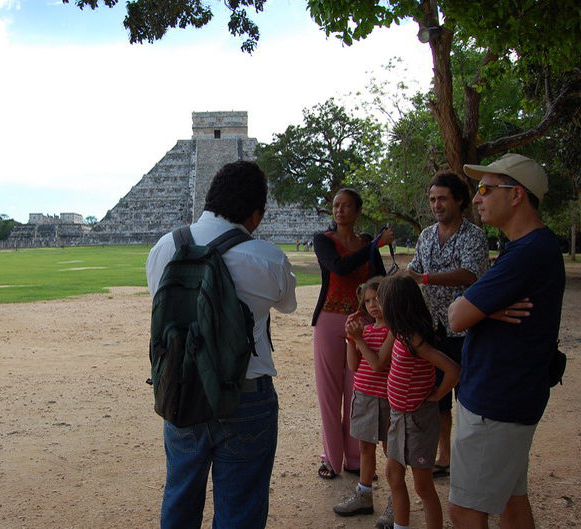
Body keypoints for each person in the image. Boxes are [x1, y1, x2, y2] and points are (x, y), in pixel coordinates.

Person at [146, 160, 298, 528]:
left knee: (179, 499)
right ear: (256, 215)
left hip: (181, 388)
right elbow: (287, 304)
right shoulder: (269, 258)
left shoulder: (164, 249)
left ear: (208, 199)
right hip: (246, 394)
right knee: (240, 512)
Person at [448, 154, 565, 528]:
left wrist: (478, 307)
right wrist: (484, 306)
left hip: (495, 402)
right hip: (511, 396)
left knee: (465, 510)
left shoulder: (528, 254)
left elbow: (455, 317)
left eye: (485, 189)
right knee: (513, 502)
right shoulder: (531, 249)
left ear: (516, 195)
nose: (477, 198)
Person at [402, 171, 488, 478]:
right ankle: (445, 456)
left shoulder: (473, 236)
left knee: (468, 396)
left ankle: (470, 459)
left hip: (468, 330)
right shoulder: (426, 235)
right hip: (433, 329)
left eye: (442, 198)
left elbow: (470, 274)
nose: (436, 205)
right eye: (432, 199)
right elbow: (411, 272)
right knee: (437, 396)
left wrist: (424, 279)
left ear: (459, 200)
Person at [311, 188, 394, 479]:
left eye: (347, 206)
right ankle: (331, 459)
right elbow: (339, 268)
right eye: (336, 205)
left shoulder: (366, 243)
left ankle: (355, 457)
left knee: (358, 392)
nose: (340, 210)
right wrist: (373, 248)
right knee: (329, 395)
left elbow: (381, 280)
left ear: (358, 212)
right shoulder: (324, 240)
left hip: (363, 324)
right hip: (329, 321)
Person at [380, 274, 460, 529]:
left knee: (423, 485)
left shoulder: (413, 339)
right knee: (393, 475)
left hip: (417, 419)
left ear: (395, 306)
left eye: (382, 302)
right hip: (398, 417)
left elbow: (453, 370)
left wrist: (437, 395)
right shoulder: (399, 333)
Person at [333, 277, 395, 527]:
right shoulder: (367, 330)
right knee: (365, 448)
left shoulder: (394, 330)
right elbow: (353, 365)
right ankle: (364, 494)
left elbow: (379, 363)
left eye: (377, 299)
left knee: (392, 452)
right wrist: (351, 338)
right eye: (367, 301)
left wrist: (358, 340)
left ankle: (396, 500)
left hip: (388, 399)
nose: (372, 305)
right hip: (364, 397)